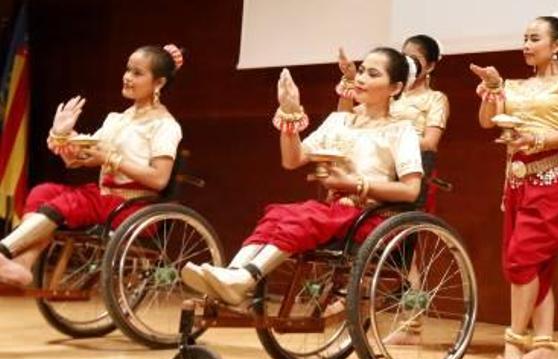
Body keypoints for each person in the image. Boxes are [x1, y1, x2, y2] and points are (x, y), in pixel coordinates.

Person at [181, 47, 422, 306]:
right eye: (361, 71)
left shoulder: (400, 130)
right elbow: (293, 159)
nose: (361, 78)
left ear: (395, 88)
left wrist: (351, 184)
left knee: (304, 217)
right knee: (278, 215)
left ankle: (245, 277)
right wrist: (290, 109)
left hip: (369, 216)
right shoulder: (339, 121)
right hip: (336, 211)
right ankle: (233, 274)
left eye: (373, 74)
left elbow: (410, 190)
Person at [0, 44, 184, 287]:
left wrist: (111, 159)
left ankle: (4, 250)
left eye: (138, 73)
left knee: (73, 201)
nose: (128, 77)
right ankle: (22, 266)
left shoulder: (165, 125)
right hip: (104, 198)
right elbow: (77, 159)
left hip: (133, 206)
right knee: (43, 192)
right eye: (128, 70)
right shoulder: (117, 119)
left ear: (158, 83)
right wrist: (62, 134)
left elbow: (159, 179)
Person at [470, 13, 558, 359]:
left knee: (521, 260)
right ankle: (546, 344)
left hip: (551, 181)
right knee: (535, 265)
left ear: (556, 46)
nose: (526, 44)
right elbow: (487, 121)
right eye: (524, 37)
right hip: (517, 183)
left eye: (535, 38)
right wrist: (492, 88)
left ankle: (514, 340)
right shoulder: (514, 85)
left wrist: (536, 139)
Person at [336, 35, 450, 344]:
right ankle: (351, 310)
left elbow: (430, 142)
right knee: (356, 242)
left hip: (412, 174)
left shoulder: (434, 99)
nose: (409, 62)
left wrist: (396, 136)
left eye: (416, 58)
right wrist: (350, 81)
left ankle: (412, 323)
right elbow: (346, 118)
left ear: (431, 65)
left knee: (406, 252)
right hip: (374, 170)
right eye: (404, 56)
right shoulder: (387, 94)